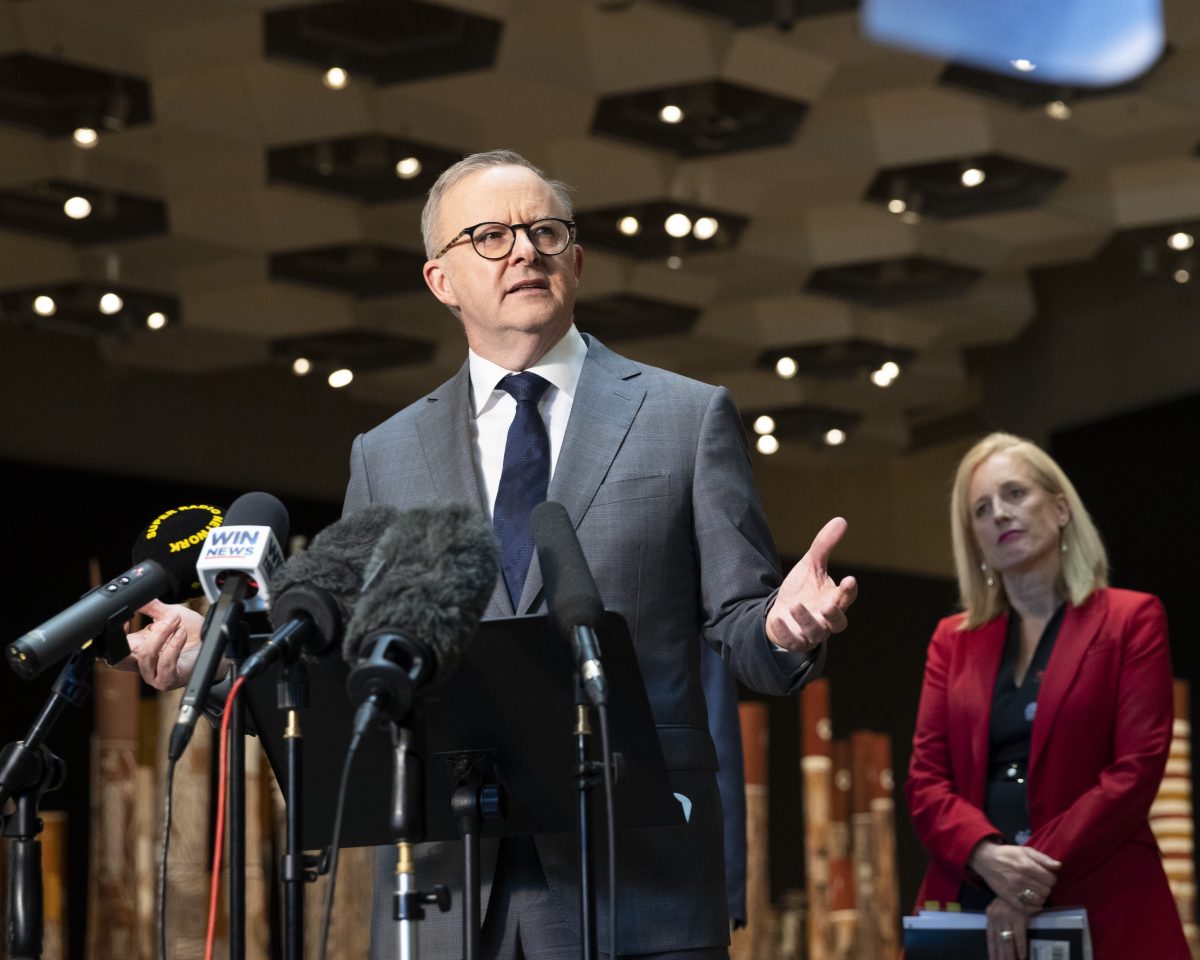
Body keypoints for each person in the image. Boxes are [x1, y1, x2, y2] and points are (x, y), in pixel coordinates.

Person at [128, 149, 858, 960]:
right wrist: (220, 657)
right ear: (441, 280)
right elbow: (341, 651)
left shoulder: (683, 419)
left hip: (635, 873)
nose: (524, 250)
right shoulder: (386, 453)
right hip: (443, 889)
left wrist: (790, 627)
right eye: (489, 236)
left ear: (575, 262)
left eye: (545, 231)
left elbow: (744, 628)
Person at [905, 432, 1188, 960]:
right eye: (982, 509)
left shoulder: (1132, 619)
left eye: (1015, 495)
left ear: (1061, 509)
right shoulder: (953, 640)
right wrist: (985, 853)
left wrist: (1027, 876)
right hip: (971, 896)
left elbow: (1135, 770)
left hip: (1101, 896)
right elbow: (926, 782)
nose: (999, 515)